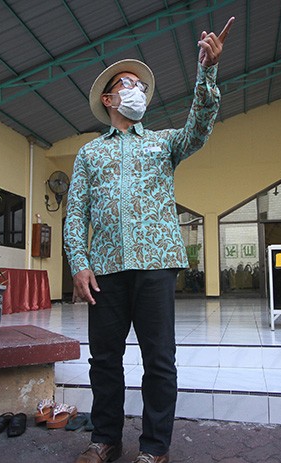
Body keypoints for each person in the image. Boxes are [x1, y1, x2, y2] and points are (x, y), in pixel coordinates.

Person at [64, 17, 234, 463]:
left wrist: (207, 71)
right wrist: (79, 264)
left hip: (156, 264)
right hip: (104, 271)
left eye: (141, 84)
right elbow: (75, 212)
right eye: (126, 83)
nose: (136, 89)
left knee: (159, 360)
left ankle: (155, 448)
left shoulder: (163, 143)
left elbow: (199, 126)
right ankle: (105, 440)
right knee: (104, 360)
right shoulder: (89, 152)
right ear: (108, 99)